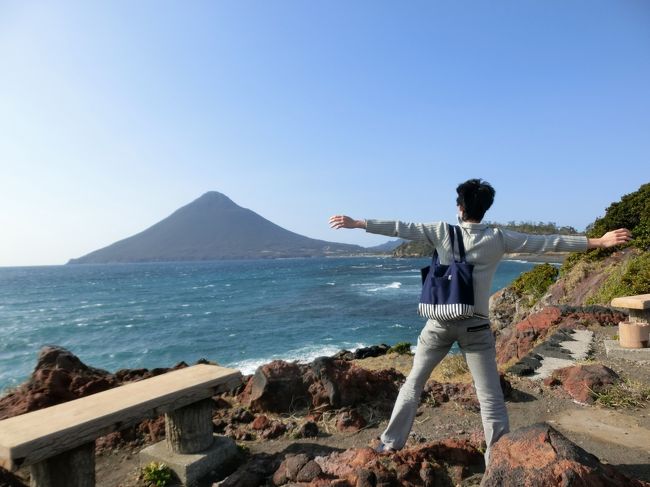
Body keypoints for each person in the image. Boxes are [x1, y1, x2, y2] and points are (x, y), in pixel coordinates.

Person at [328, 178, 631, 463]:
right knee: (490, 398)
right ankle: (497, 457)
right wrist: (598, 242)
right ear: (485, 208)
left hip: (439, 323)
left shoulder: (441, 231)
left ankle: (390, 444)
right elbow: (545, 242)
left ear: (460, 207)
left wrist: (359, 224)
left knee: (413, 384)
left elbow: (401, 227)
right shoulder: (498, 238)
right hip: (475, 326)